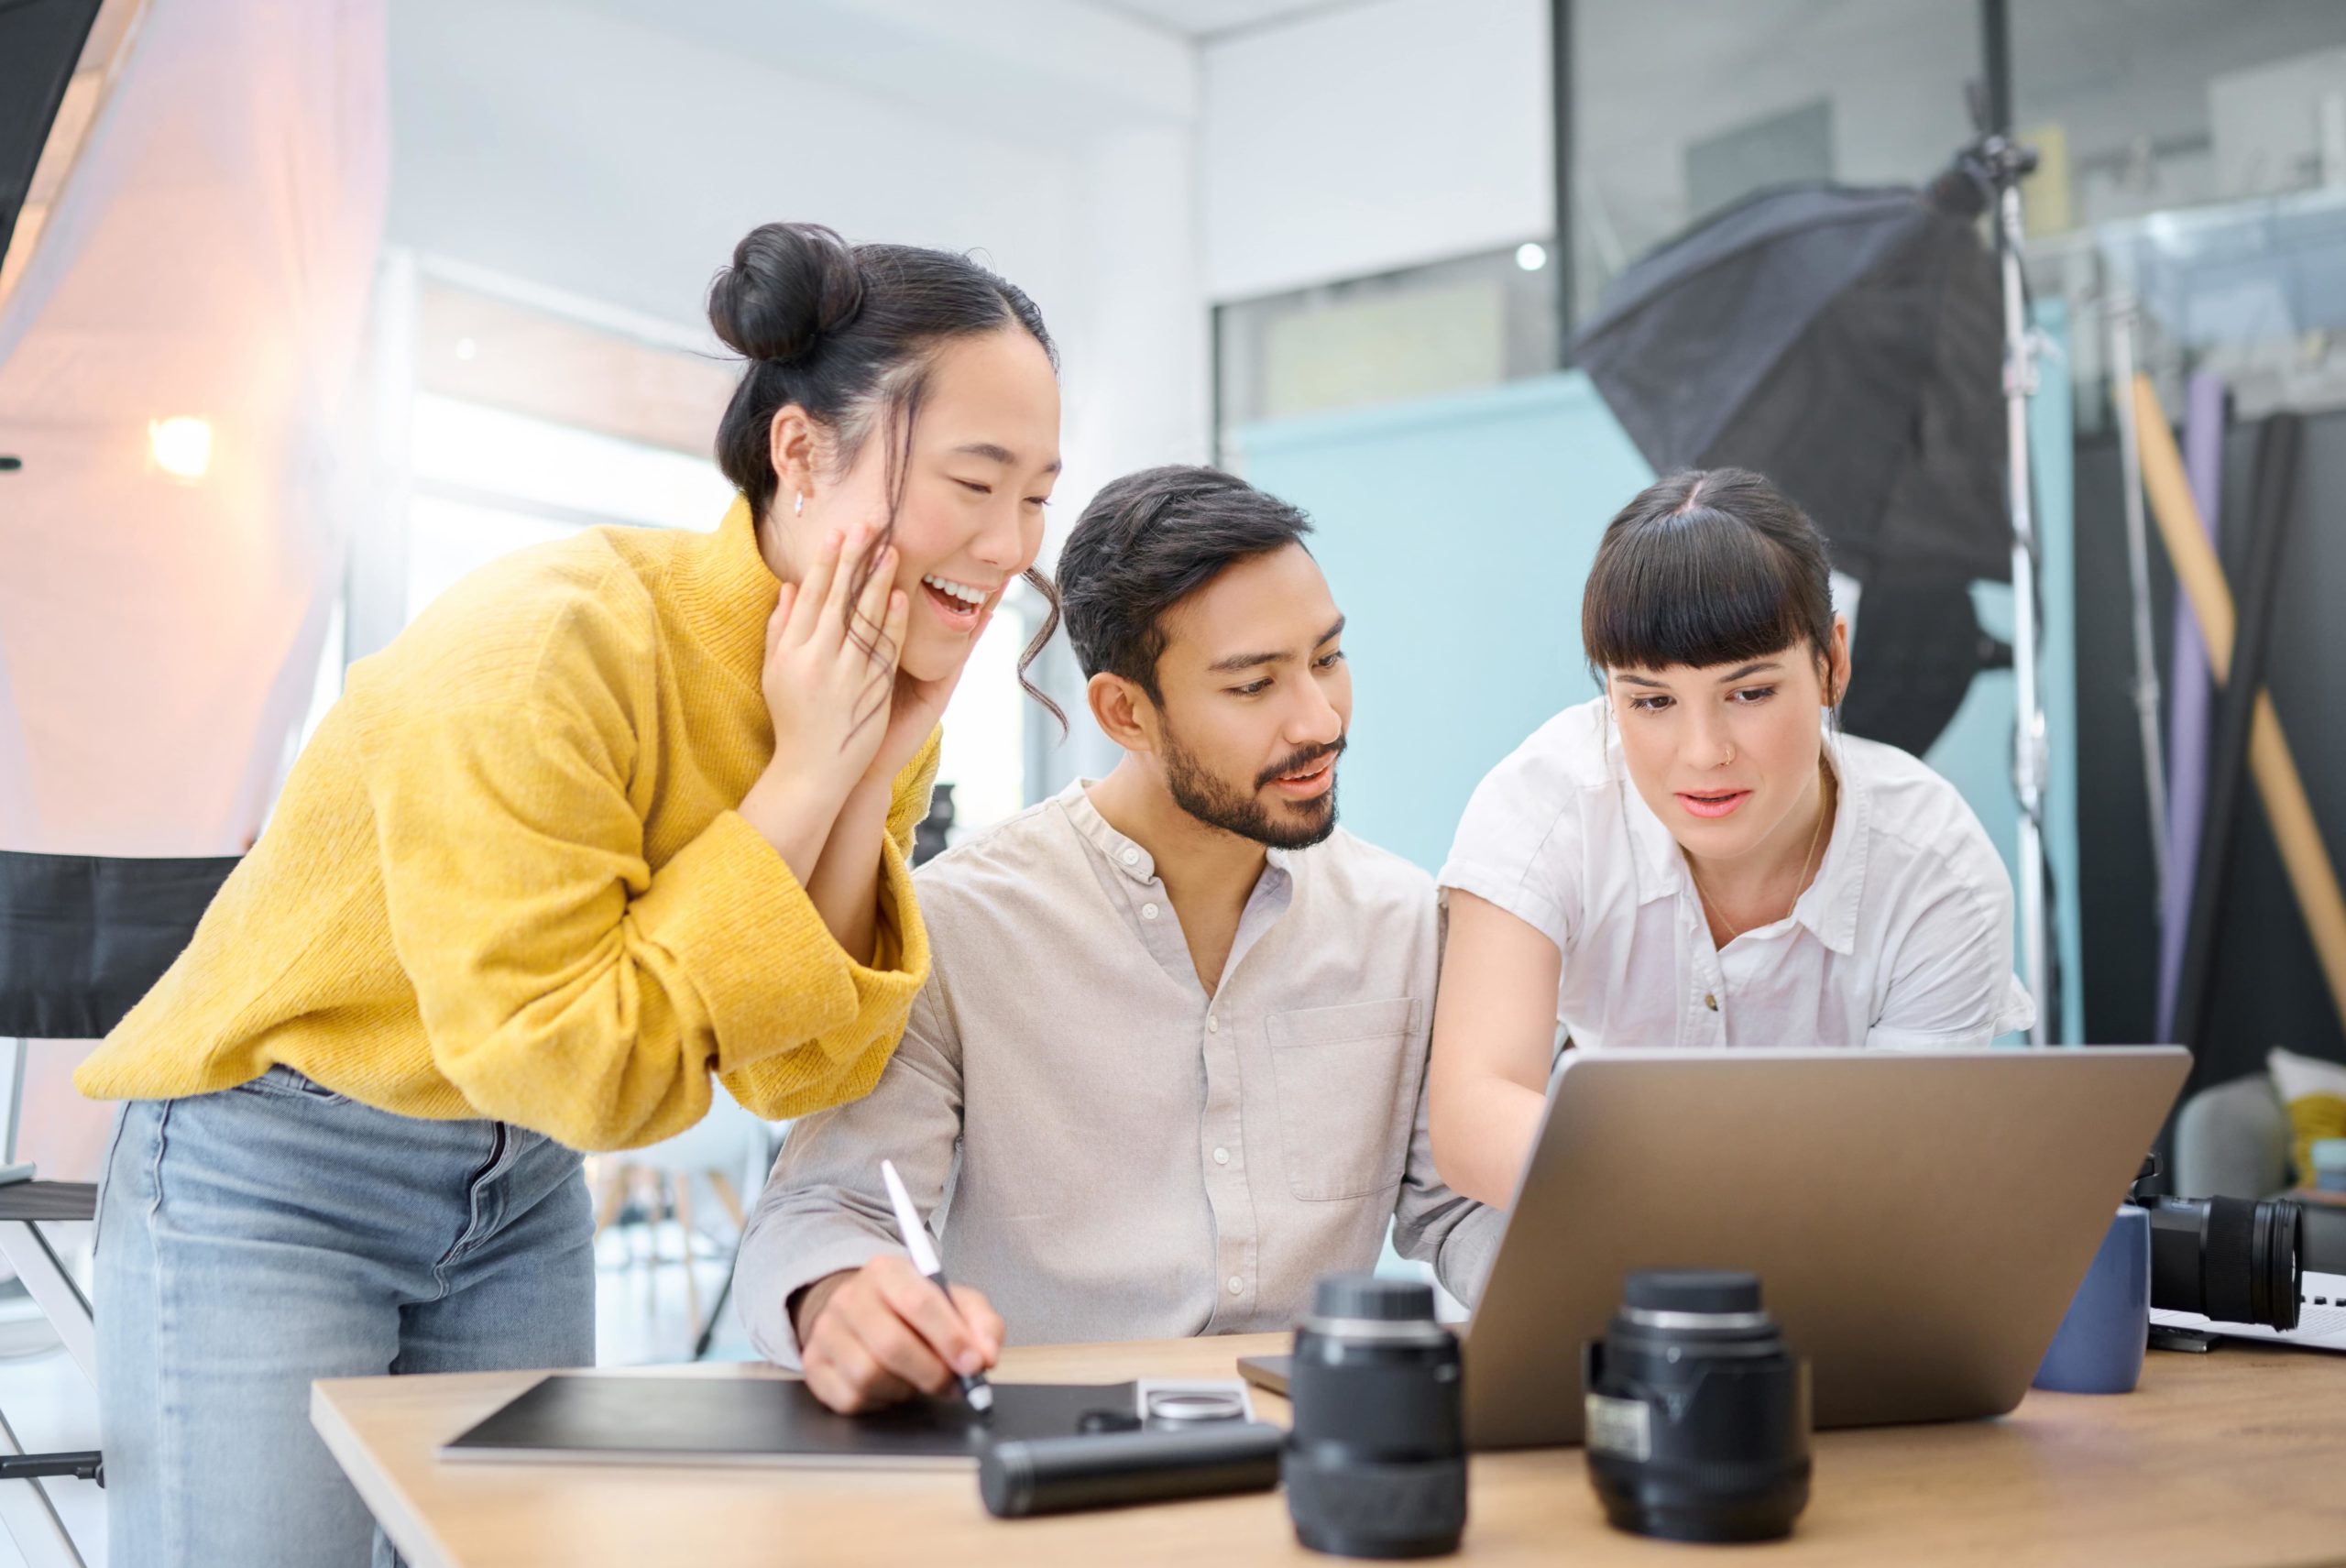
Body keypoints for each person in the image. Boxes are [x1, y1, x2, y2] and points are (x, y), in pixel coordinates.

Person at [73, 222, 1062, 1566]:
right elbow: (572, 1058)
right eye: (974, 481)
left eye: (1039, 496)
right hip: (277, 1165)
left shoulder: (866, 686)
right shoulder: (547, 643)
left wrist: (867, 760)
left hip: (521, 1177)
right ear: (800, 449)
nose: (1010, 546)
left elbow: (807, 1067)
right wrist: (806, 779)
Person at [735, 466, 1498, 1414]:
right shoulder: (958, 928)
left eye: (1328, 658)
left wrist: (1603, 1271)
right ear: (1123, 713)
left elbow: (1458, 1201)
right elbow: (823, 1211)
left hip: (1318, 1447)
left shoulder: (1402, 920)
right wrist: (842, 1301)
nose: (1320, 718)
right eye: (1254, 683)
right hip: (1056, 1452)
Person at [1429, 467, 2034, 1208]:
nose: (1703, 752)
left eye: (1749, 692)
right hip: (1601, 1247)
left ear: (1832, 662)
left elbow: (1902, 1178)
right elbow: (1474, 1117)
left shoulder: (1937, 873)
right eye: (1651, 701)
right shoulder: (1546, 805)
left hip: (1839, 1278)